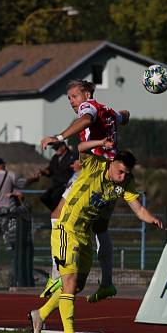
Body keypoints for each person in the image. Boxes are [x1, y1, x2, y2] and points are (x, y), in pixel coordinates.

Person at [28, 143, 163, 333]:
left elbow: (138, 208)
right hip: (66, 228)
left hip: (84, 234)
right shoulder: (94, 166)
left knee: (77, 285)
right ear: (111, 163)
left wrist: (152, 218)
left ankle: (40, 314)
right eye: (119, 171)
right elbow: (81, 146)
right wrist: (100, 144)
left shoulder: (124, 184)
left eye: (125, 174)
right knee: (69, 281)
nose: (121, 177)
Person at [39, 79, 131, 303]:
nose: (72, 102)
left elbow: (87, 118)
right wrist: (120, 115)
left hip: (92, 173)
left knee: (58, 216)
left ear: (87, 93)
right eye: (69, 98)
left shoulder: (88, 108)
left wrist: (59, 137)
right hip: (111, 174)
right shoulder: (107, 110)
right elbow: (125, 116)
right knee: (100, 227)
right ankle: (107, 282)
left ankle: (56, 275)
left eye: (75, 96)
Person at [0, 157, 29, 264]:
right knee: (10, 238)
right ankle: (14, 263)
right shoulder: (11, 175)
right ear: (2, 165)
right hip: (9, 212)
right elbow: (23, 184)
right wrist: (34, 178)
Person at [35, 141, 78, 213]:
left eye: (57, 148)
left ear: (63, 147)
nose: (55, 150)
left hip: (68, 185)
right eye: (54, 148)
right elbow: (50, 170)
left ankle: (60, 213)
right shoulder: (55, 158)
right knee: (45, 198)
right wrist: (44, 172)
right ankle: (57, 213)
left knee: (55, 197)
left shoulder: (73, 156)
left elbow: (77, 169)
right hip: (56, 185)